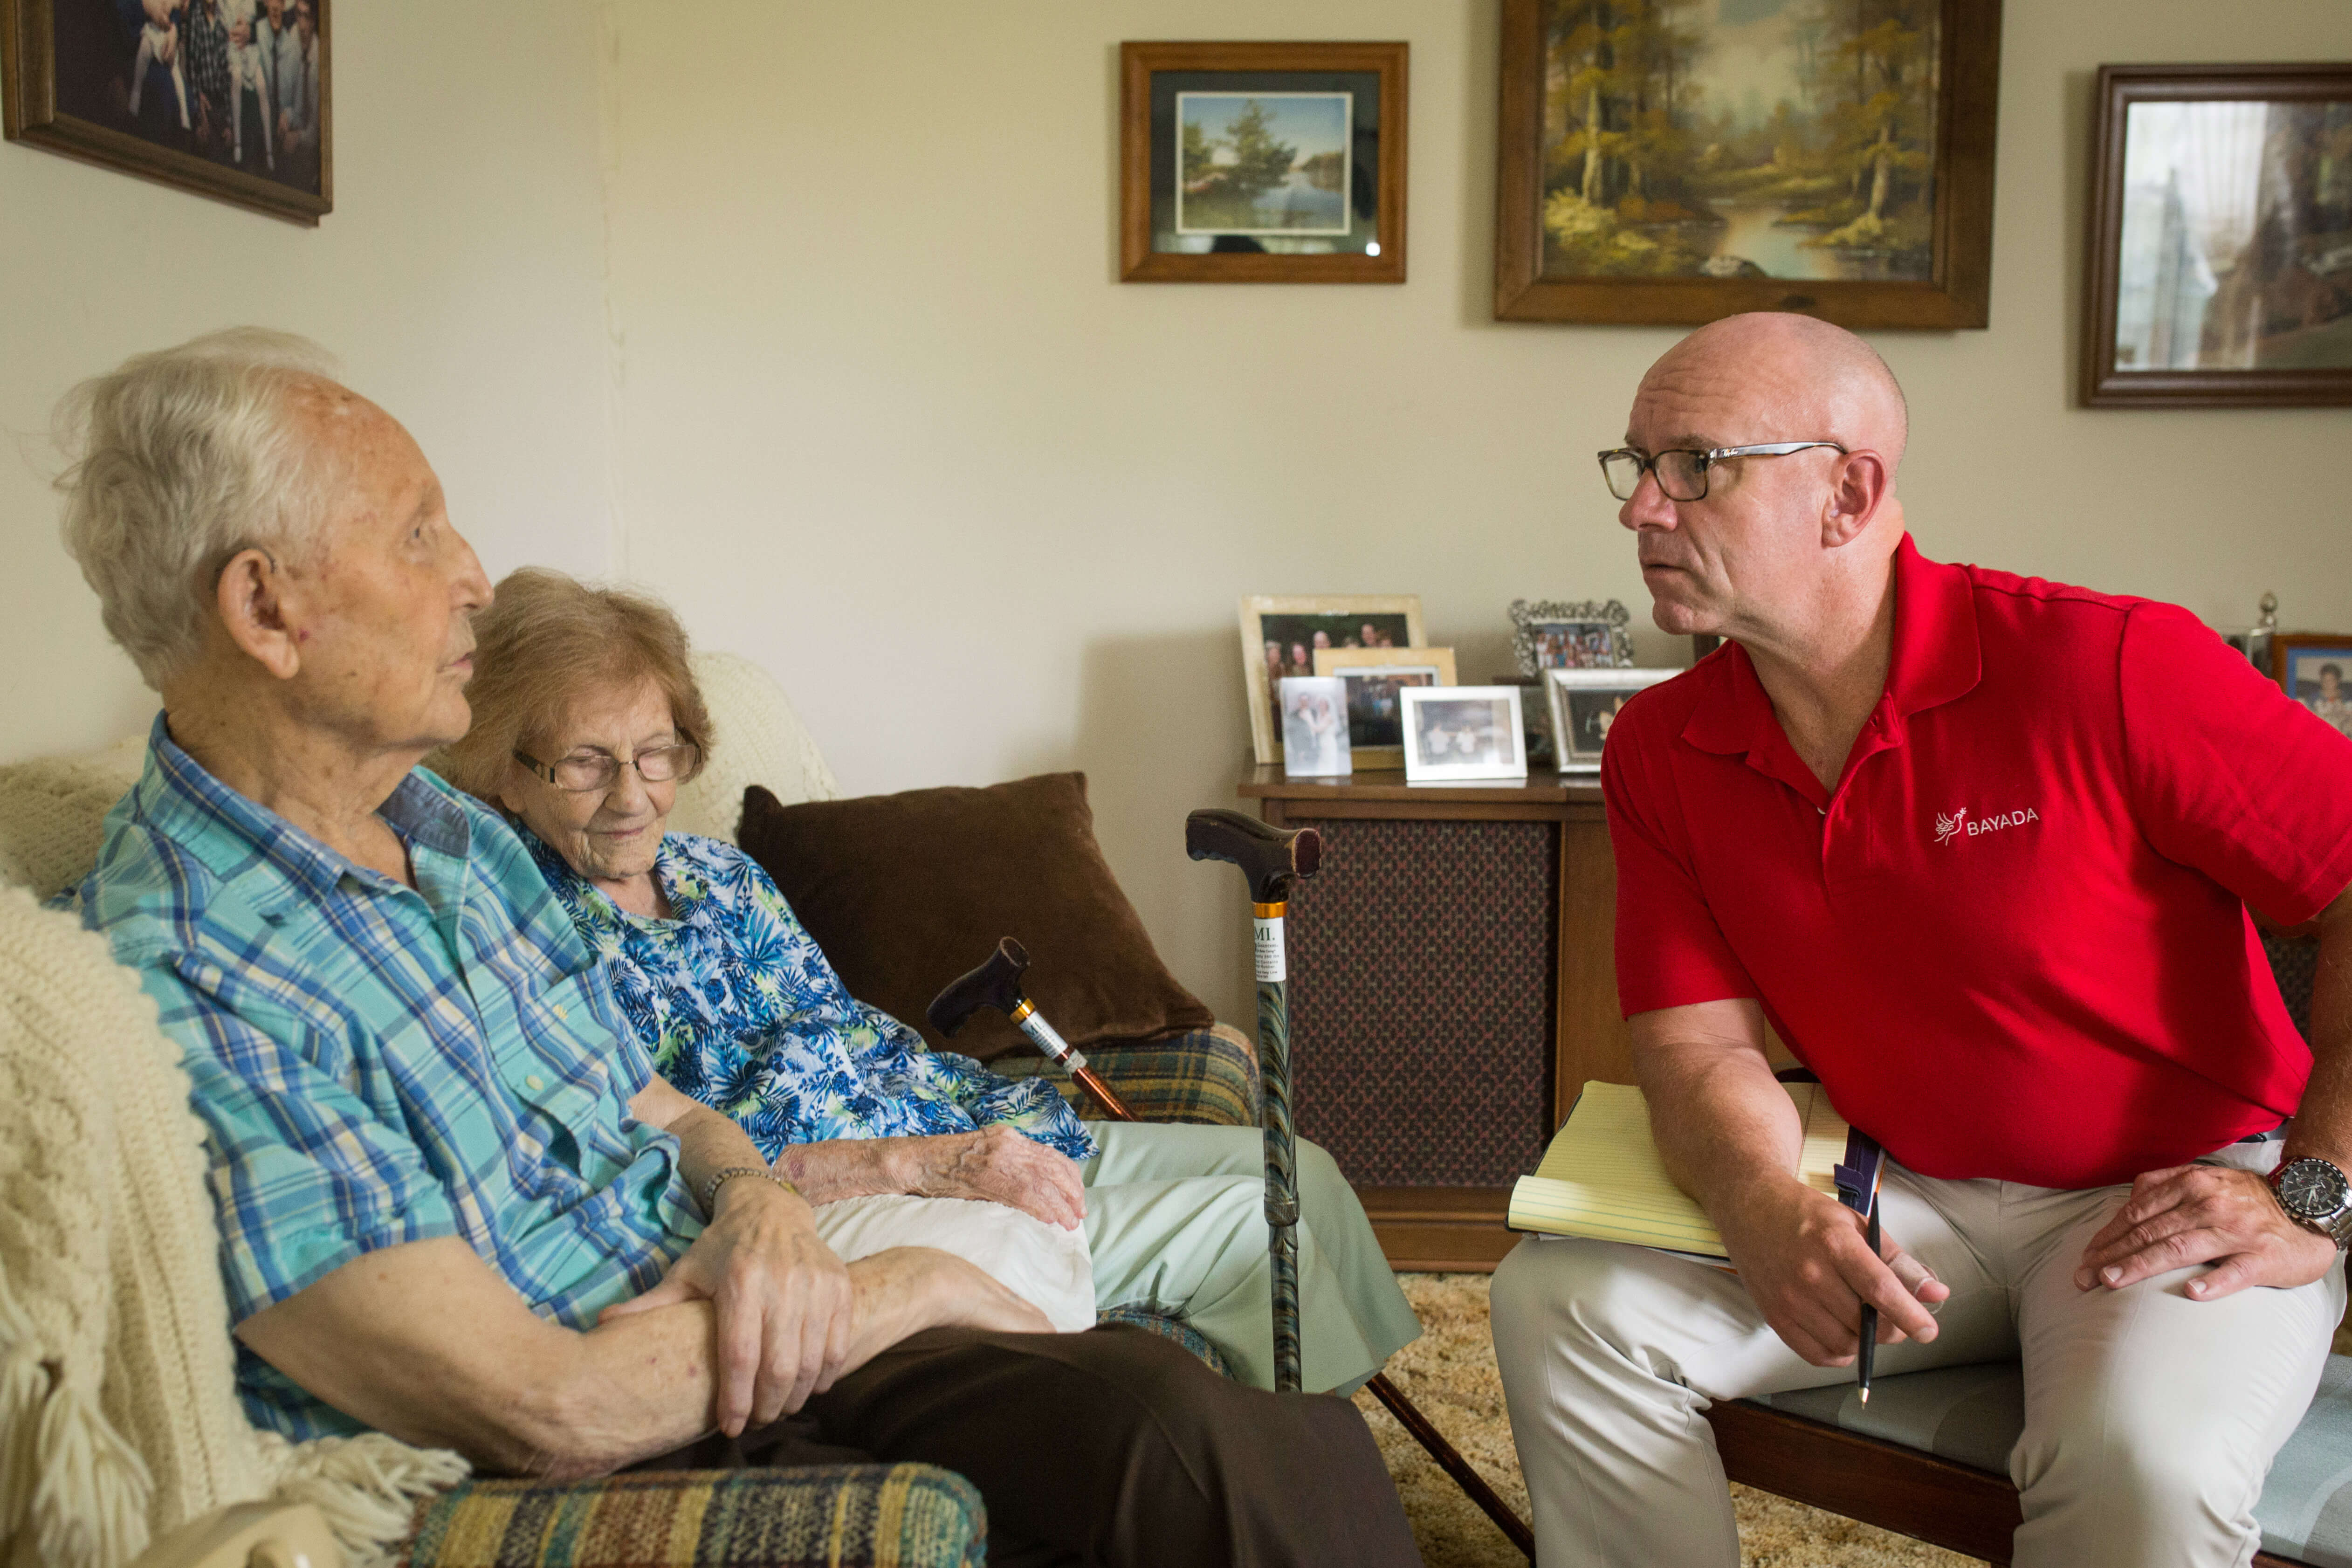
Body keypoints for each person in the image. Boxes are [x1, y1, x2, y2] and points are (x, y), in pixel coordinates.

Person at [60, 330, 1421, 1568]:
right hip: (647, 1418)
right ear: (268, 610)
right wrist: (898, 1279)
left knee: (1240, 1433)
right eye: (419, 535)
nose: (471, 573)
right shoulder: (183, 971)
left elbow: (657, 1099)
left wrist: (759, 1204)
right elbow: (546, 1400)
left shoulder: (443, 835)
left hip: (748, 1293)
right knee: (1168, 1445)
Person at [1489, 311, 2352, 1568]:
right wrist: (1753, 1201)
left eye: (1693, 466)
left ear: (1846, 491)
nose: (1640, 511)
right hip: (1901, 1190)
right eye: (1634, 466)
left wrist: (2316, 1198)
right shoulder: (1660, 745)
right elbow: (1691, 1040)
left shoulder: (2105, 662)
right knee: (1559, 1305)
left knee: (2139, 1468)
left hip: (2162, 1196)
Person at [436, 568, 1420, 1396]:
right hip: (878, 1199)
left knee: (1305, 1174)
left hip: (970, 1126)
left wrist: (971, 1130)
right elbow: (663, 1165)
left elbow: (836, 1025)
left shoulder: (717, 873)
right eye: (584, 762)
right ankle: (1309, 1457)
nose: (634, 792)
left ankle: (1347, 1433)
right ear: (502, 766)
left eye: (658, 753)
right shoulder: (531, 936)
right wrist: (928, 1163)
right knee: (1259, 1220)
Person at [2310, 661, 2352, 737]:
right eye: (2324, 680)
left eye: (2331, 680)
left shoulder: (2346, 698)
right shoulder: (2314, 698)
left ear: (2338, 681)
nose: (2327, 684)